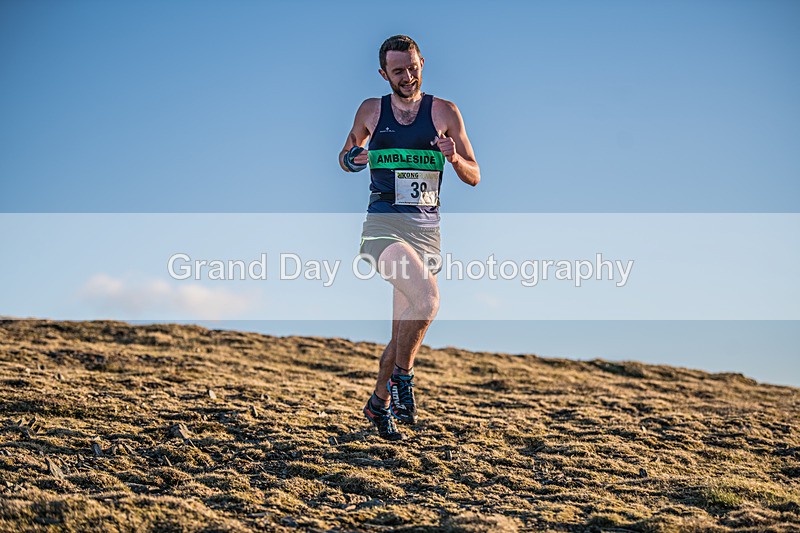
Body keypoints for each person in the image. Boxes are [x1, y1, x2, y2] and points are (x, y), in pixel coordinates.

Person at [339, 35, 480, 441]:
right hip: (384, 227)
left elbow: (474, 175)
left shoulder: (445, 111)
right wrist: (354, 159)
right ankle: (403, 380)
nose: (407, 76)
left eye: (412, 68)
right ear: (383, 73)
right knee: (429, 299)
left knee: (403, 330)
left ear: (422, 63)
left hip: (426, 234)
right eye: (397, 70)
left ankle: (379, 403)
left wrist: (454, 157)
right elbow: (345, 156)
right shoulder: (372, 110)